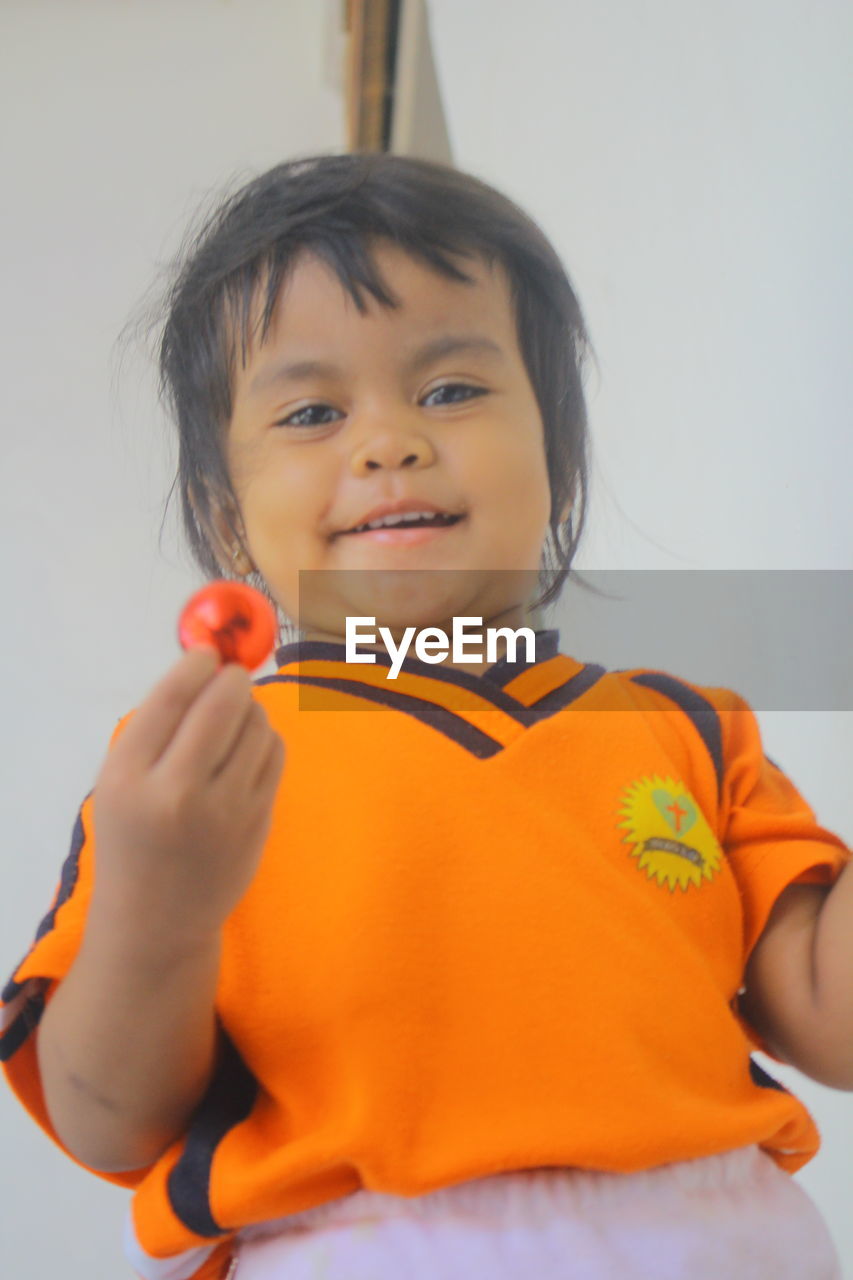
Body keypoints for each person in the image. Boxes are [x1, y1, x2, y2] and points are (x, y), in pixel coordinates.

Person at [1, 153, 850, 1280]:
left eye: (450, 389)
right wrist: (162, 899)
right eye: (311, 410)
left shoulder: (691, 728)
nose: (387, 441)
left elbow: (830, 1020)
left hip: (715, 1240)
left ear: (554, 449)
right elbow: (110, 1121)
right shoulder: (193, 777)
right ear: (226, 515)